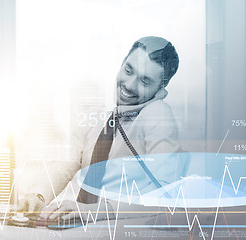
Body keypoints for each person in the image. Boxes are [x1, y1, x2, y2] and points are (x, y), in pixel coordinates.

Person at [18, 36, 187, 221]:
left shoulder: (157, 113)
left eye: (145, 82)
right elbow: (66, 164)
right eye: (128, 70)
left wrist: (95, 211)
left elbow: (166, 195)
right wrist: (39, 195)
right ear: (122, 63)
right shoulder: (102, 116)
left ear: (161, 88)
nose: (129, 85)